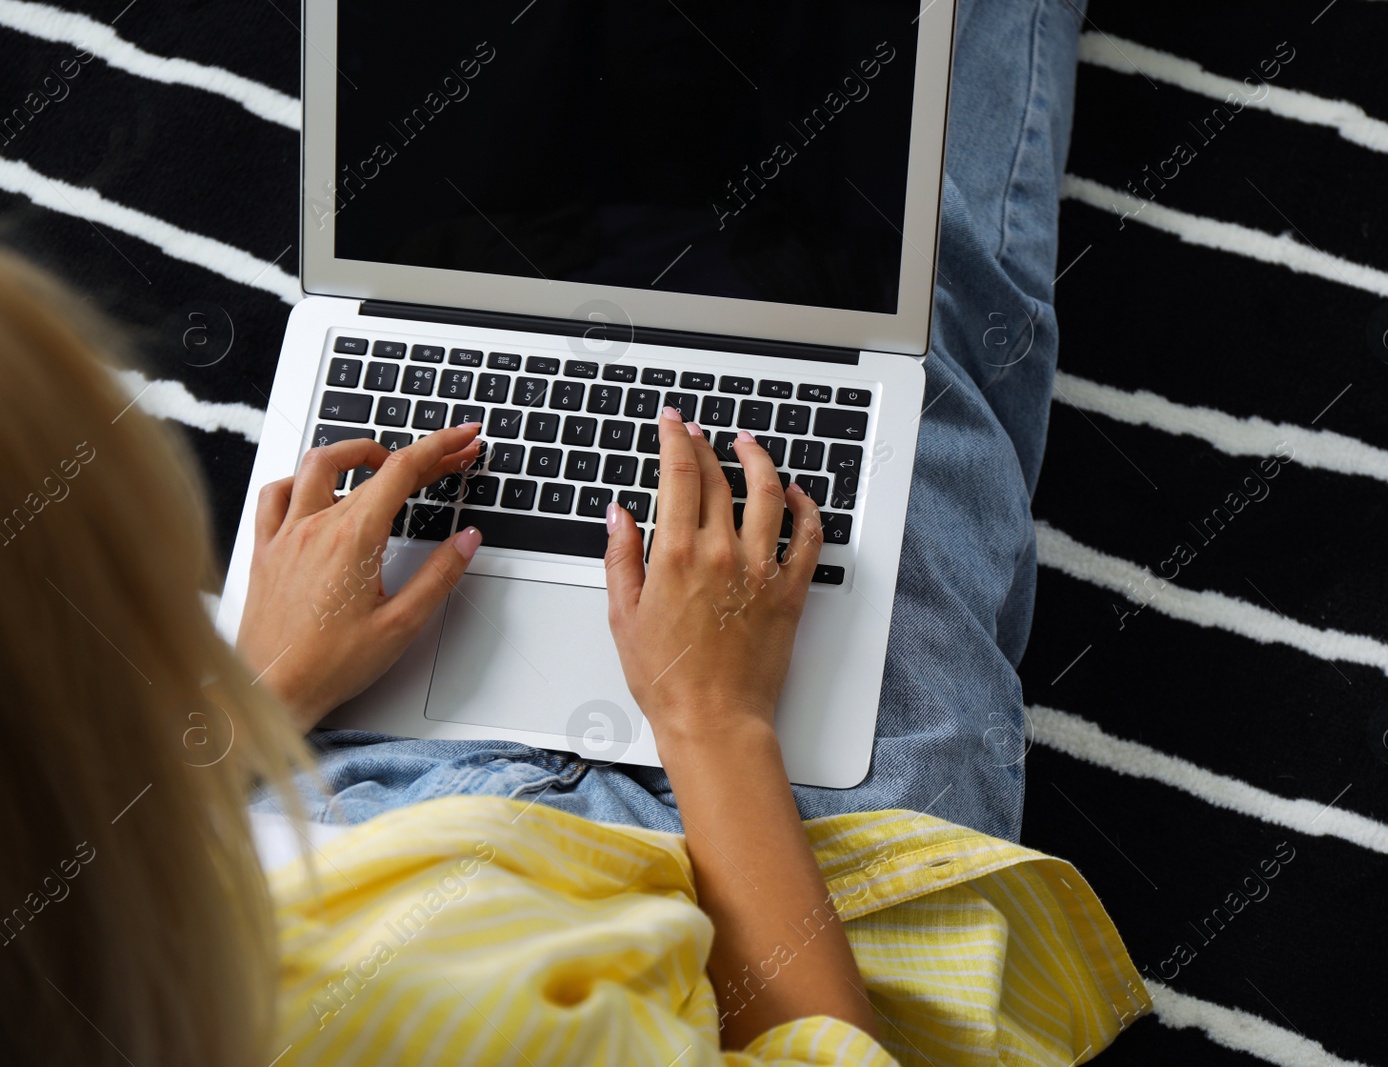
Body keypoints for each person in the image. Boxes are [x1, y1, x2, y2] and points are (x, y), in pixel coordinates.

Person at [0, 1, 1147, 1064]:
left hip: (335, 771)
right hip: (792, 865)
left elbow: (90, 873)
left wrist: (260, 690)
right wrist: (714, 720)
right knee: (917, 309)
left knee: (458, 230)